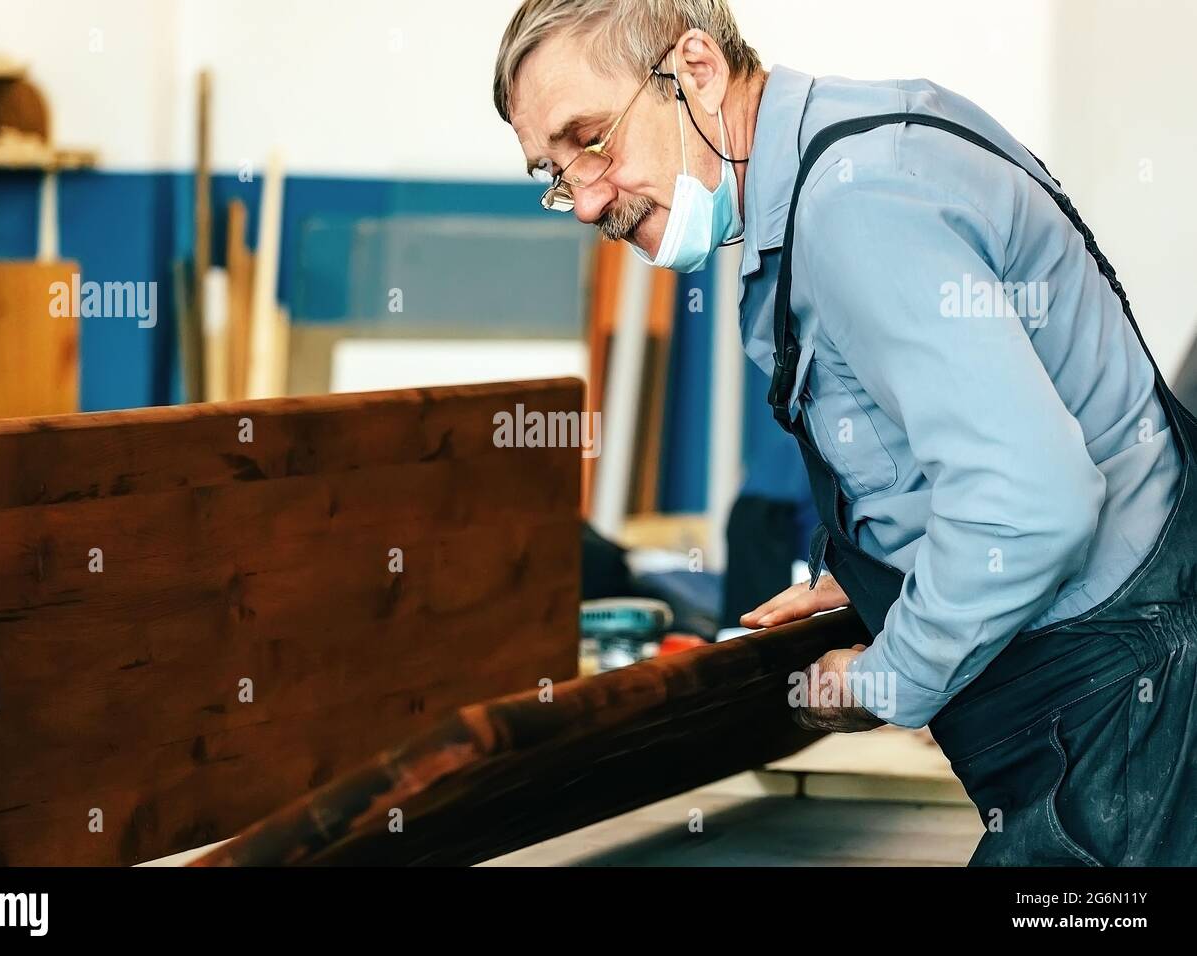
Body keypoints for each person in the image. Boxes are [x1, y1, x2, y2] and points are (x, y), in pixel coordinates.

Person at [493, 0, 1196, 865]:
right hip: (1126, 672)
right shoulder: (858, 146)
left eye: (591, 138)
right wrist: (863, 563)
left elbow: (1032, 504)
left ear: (698, 70)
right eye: (554, 172)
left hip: (1123, 697)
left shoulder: (856, 209)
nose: (583, 199)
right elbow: (936, 433)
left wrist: (883, 678)